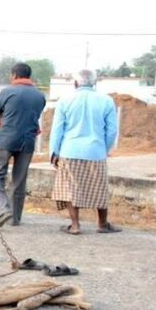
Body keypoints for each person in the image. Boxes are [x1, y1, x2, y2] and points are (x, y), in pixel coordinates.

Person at [49, 69, 120, 235]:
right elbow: (111, 131)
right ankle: (102, 224)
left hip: (70, 150)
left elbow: (57, 130)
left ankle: (75, 225)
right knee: (99, 187)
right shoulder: (106, 101)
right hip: (96, 151)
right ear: (94, 83)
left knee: (70, 189)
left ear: (75, 83)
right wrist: (104, 149)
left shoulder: (65, 100)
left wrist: (54, 152)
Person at [0, 62, 46, 227]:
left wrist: (2, 116)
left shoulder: (8, 91)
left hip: (5, 138)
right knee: (19, 179)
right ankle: (15, 218)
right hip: (28, 141)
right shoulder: (40, 96)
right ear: (29, 75)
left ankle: (2, 210)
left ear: (14, 75)